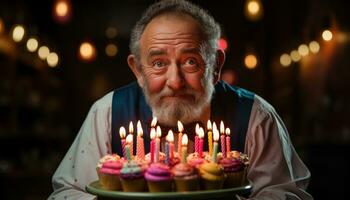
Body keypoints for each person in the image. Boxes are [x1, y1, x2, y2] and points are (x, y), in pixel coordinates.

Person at [48, 0, 312, 199]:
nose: (175, 81)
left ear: (216, 65)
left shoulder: (256, 115)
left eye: (190, 61)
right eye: (159, 63)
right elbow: (67, 192)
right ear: (138, 70)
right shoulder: (106, 112)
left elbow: (286, 193)